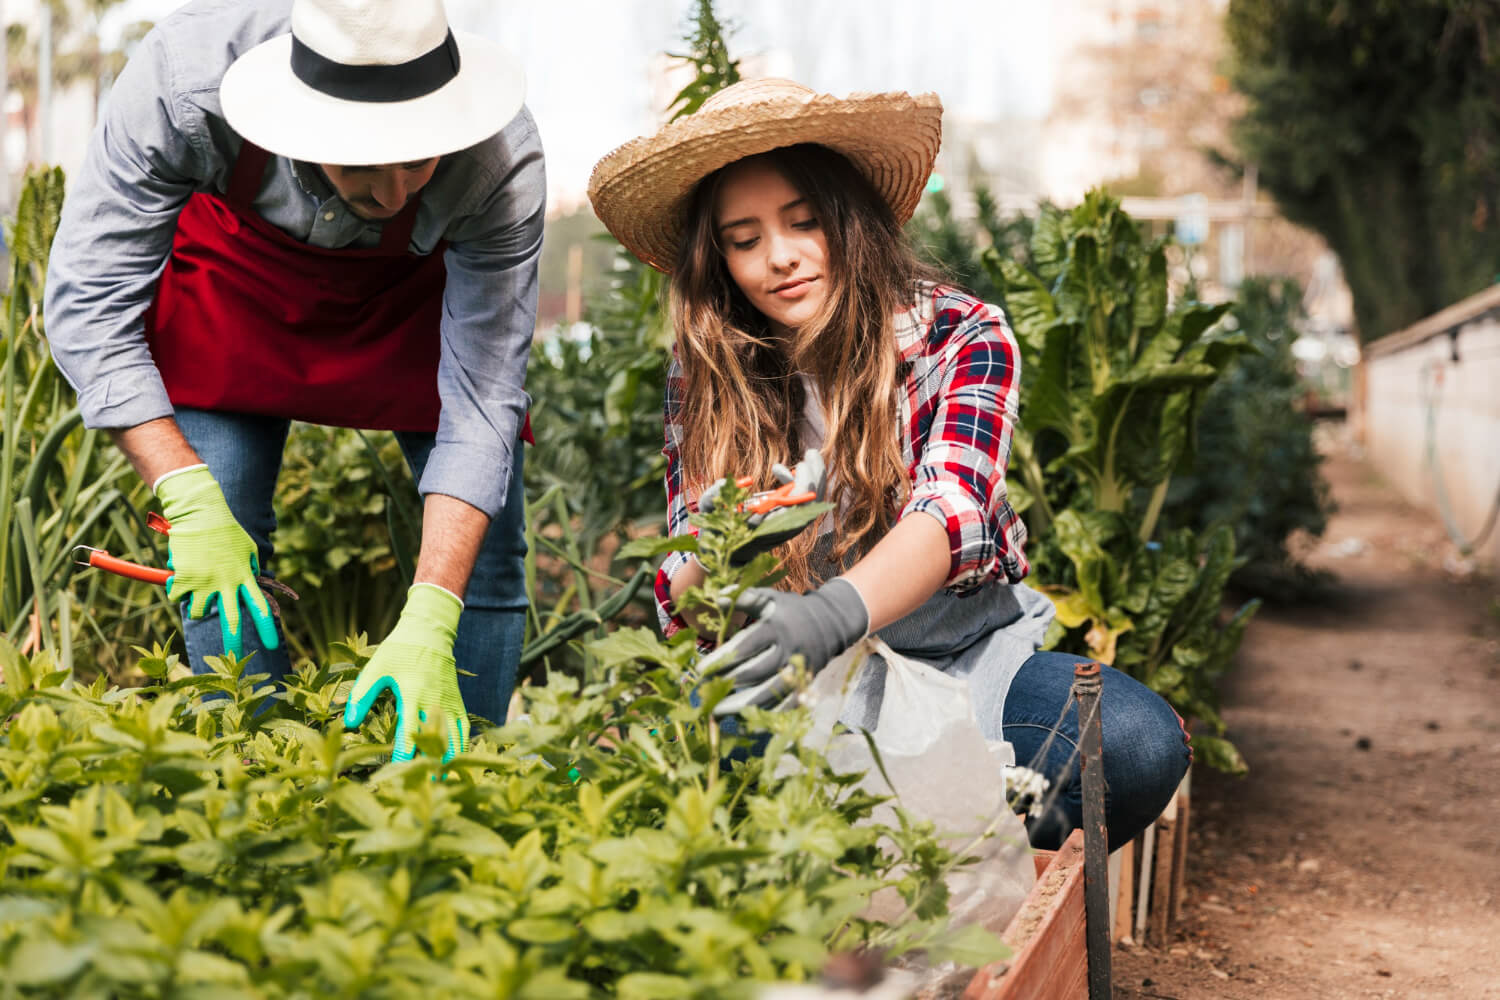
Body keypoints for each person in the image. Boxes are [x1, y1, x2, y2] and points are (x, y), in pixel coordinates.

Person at [588, 78, 1190, 849]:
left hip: (961, 659)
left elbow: (952, 513)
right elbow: (686, 600)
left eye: (804, 221)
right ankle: (881, 878)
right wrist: (718, 542)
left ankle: (977, 897)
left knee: (1133, 745)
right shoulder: (707, 371)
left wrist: (834, 611)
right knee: (688, 783)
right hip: (796, 684)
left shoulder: (957, 334)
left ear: (848, 216)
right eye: (743, 240)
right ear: (719, 261)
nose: (780, 258)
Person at [45, 0, 544, 762]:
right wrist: (186, 497)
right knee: (222, 524)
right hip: (236, 289)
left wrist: (433, 611)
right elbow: (89, 307)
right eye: (364, 165)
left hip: (414, 299)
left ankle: (460, 775)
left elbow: (482, 406)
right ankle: (262, 773)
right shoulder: (185, 82)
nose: (396, 194)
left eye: (420, 159)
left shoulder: (499, 161)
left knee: (487, 550)